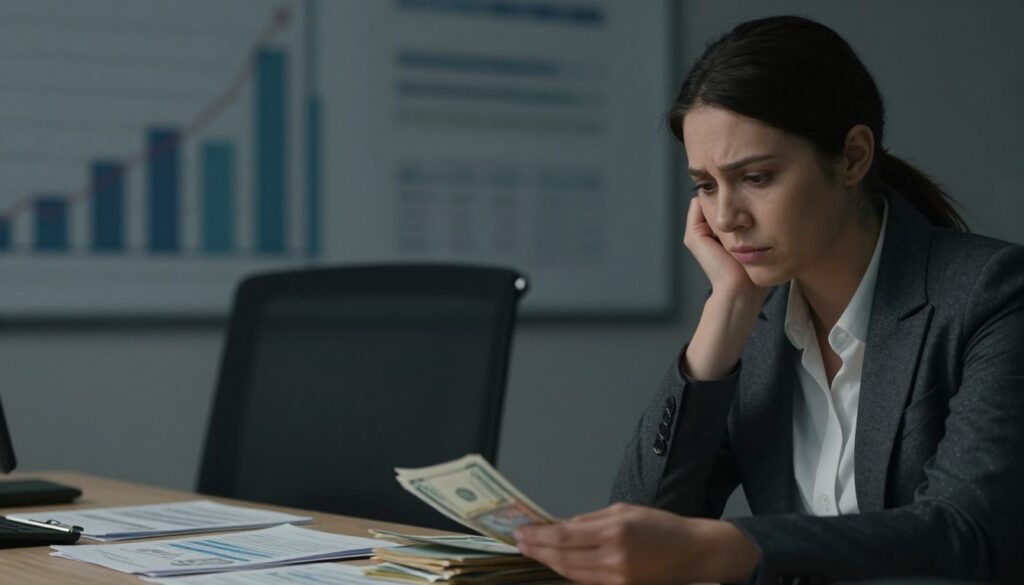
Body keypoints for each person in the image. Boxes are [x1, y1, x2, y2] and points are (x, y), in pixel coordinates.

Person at [513, 15, 1024, 585]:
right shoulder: (753, 321)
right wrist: (721, 323)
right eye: (705, 186)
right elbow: (647, 527)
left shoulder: (993, 293)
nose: (726, 217)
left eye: (755, 177)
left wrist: (736, 546)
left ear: (853, 157)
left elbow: (966, 534)